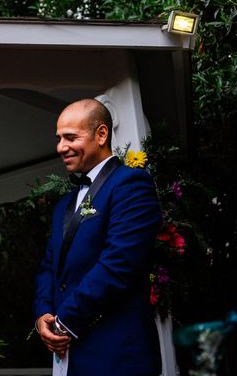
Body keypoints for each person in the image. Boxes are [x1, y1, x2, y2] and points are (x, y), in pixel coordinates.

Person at [32, 99, 163, 376]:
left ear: (101, 134)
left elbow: (119, 264)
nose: (60, 147)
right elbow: (48, 265)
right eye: (58, 139)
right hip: (69, 355)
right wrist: (42, 314)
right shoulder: (64, 205)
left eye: (70, 137)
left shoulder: (131, 184)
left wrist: (65, 319)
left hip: (116, 351)